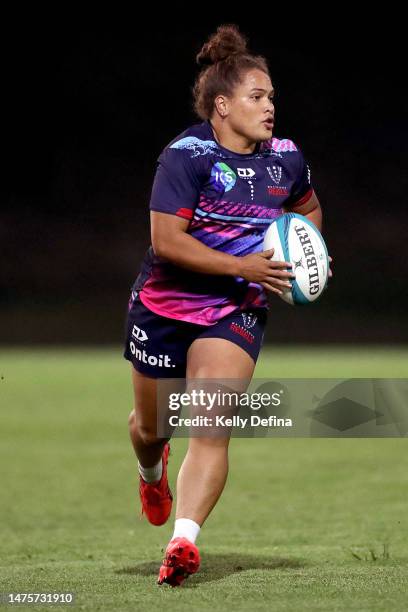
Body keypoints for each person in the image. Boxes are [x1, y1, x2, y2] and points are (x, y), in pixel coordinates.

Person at [123, 24, 329, 587]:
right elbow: (168, 242)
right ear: (221, 105)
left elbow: (308, 212)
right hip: (164, 307)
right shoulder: (186, 155)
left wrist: (300, 255)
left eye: (271, 98)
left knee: (211, 424)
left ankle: (183, 541)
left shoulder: (285, 159)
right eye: (256, 97)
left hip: (233, 309)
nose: (270, 108)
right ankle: (150, 471)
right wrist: (246, 263)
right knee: (151, 426)